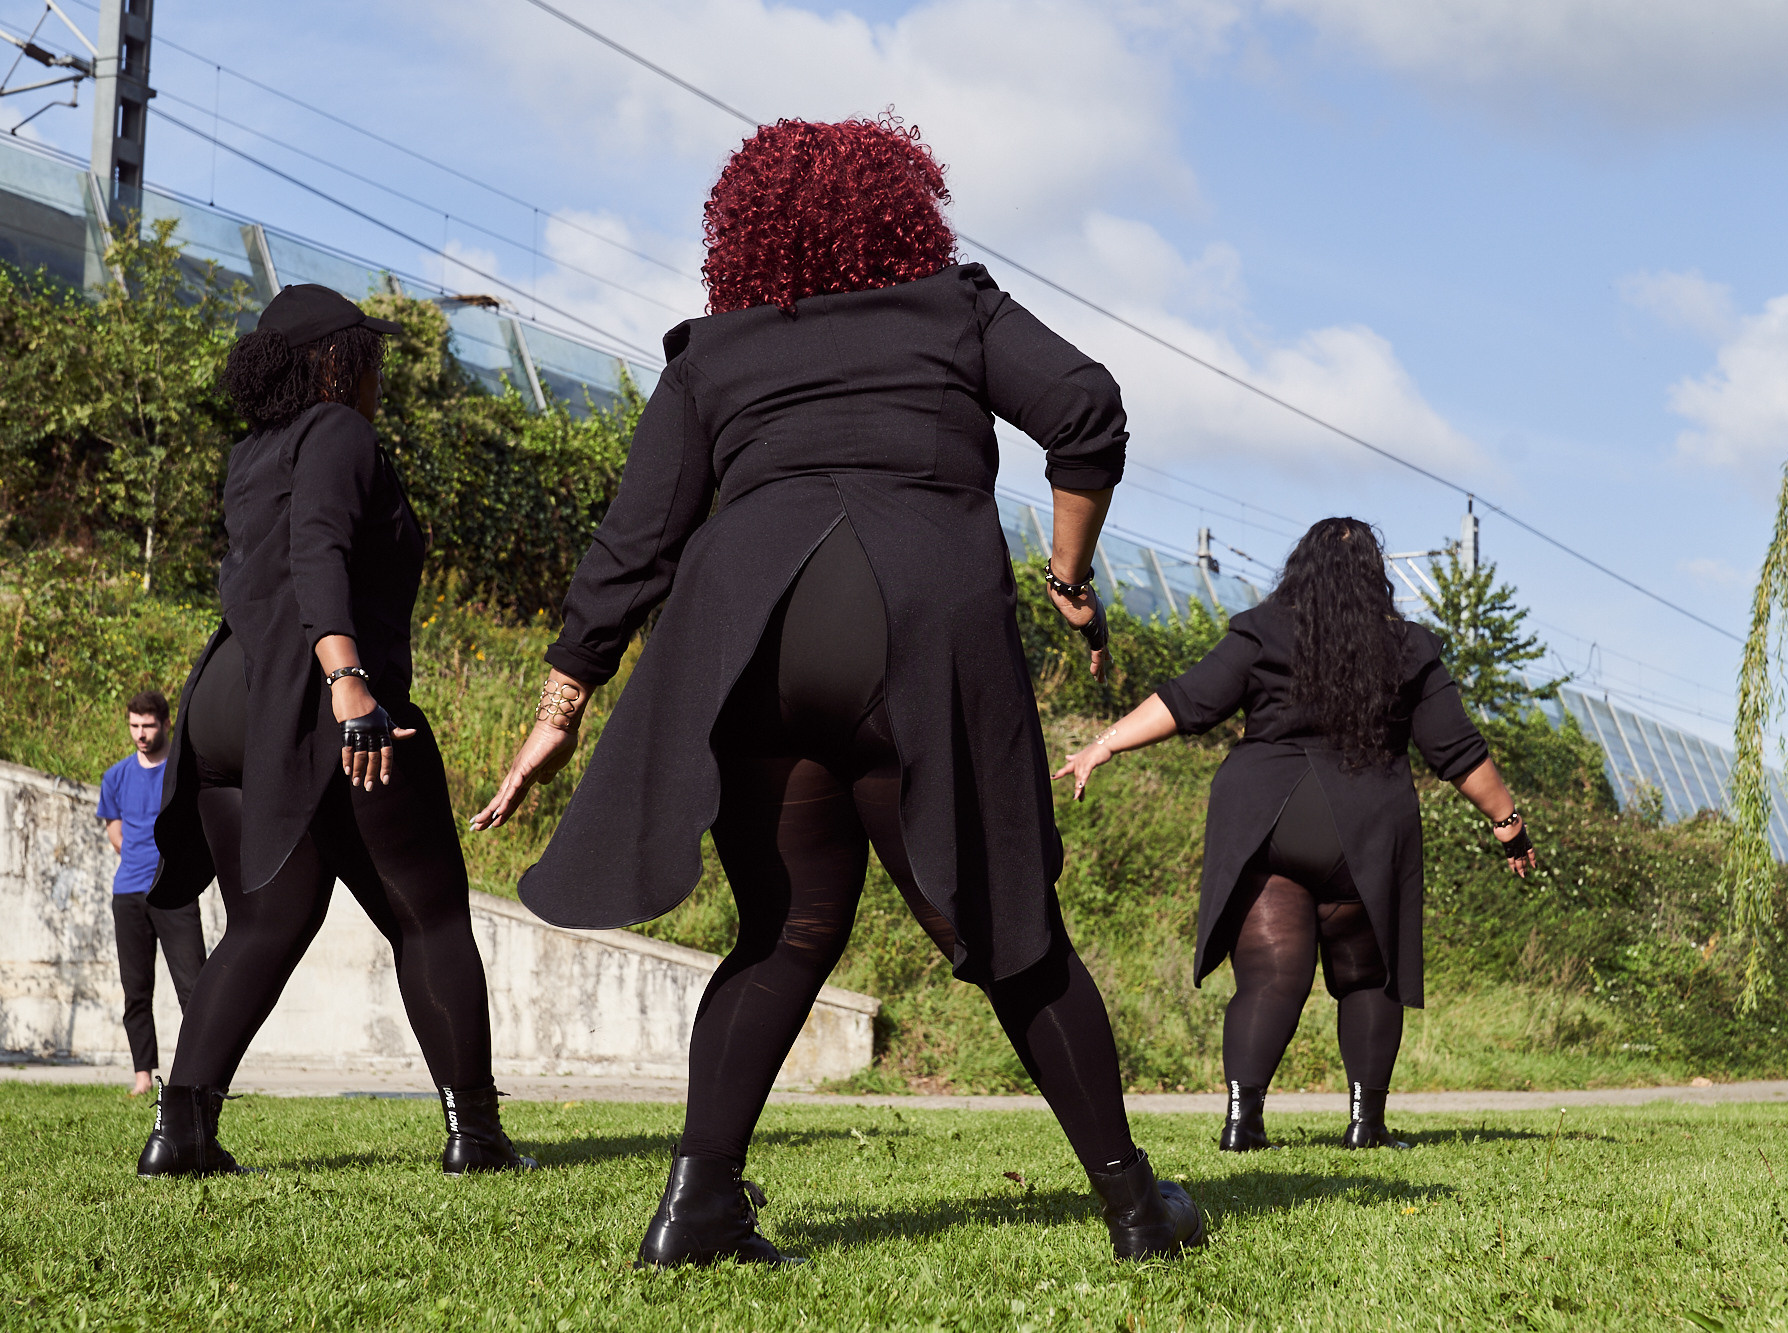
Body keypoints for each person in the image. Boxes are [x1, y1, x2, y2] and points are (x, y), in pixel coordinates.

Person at [474, 116, 1203, 1266]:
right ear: (901, 212)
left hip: (748, 639)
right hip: (914, 622)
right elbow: (1085, 409)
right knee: (1006, 927)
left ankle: (695, 1209)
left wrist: (557, 708)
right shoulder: (954, 308)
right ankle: (1135, 1209)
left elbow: (636, 539)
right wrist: (1067, 578)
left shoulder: (714, 350)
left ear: (745, 236)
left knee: (786, 923)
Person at [138, 283, 532, 1179]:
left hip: (228, 698)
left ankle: (181, 1131)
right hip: (318, 693)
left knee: (266, 919)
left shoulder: (253, 450)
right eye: (368, 355)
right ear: (334, 362)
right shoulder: (340, 433)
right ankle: (477, 1136)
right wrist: (349, 682)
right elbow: (317, 548)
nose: (377, 373)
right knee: (429, 913)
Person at [1055, 518, 1536, 1152]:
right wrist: (1508, 826)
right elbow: (1457, 750)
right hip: (1363, 830)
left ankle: (1242, 1123)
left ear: (1299, 571)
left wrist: (1104, 744)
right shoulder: (1409, 649)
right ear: (1375, 576)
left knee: (1270, 979)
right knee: (1367, 980)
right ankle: (1366, 1125)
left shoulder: (1264, 631)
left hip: (1269, 821)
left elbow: (1188, 701)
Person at [97, 689, 208, 1097]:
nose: (140, 734)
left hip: (174, 892)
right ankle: (143, 1075)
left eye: (147, 725)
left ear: (165, 724)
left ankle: (200, 1074)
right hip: (128, 894)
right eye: (134, 726)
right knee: (136, 990)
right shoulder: (115, 776)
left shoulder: (183, 773)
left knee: (195, 988)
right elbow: (115, 832)